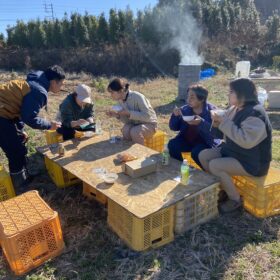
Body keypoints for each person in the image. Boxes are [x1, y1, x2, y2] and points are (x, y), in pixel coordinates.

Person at [199, 78, 272, 213]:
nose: (228, 94)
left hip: (252, 161)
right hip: (234, 152)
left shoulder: (256, 114)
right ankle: (223, 189)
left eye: (231, 91)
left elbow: (245, 141)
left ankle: (235, 200)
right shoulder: (234, 108)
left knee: (215, 165)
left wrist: (224, 123)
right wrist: (216, 124)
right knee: (204, 155)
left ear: (242, 94)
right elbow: (223, 133)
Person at [0, 65, 65, 193]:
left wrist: (20, 129)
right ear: (53, 82)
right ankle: (20, 187)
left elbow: (18, 107)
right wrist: (49, 125)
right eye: (61, 84)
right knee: (16, 152)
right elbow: (29, 117)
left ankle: (23, 177)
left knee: (19, 142)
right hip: (1, 116)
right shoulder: (38, 91)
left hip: (6, 114)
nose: (61, 87)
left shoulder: (36, 81)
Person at [168, 84, 220, 166]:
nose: (188, 100)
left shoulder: (213, 112)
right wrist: (175, 116)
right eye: (188, 96)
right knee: (173, 145)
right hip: (187, 140)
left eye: (192, 97)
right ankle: (181, 167)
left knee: (197, 153)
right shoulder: (185, 109)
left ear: (202, 99)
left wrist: (200, 123)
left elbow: (216, 134)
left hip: (205, 142)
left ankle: (201, 174)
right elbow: (173, 127)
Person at [106, 78, 157, 145]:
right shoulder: (120, 101)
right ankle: (129, 152)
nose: (111, 95)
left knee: (135, 132)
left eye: (112, 92)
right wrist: (117, 115)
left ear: (120, 91)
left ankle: (141, 153)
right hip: (135, 124)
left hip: (150, 124)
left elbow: (147, 116)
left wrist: (129, 113)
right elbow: (128, 122)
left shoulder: (137, 97)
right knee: (125, 130)